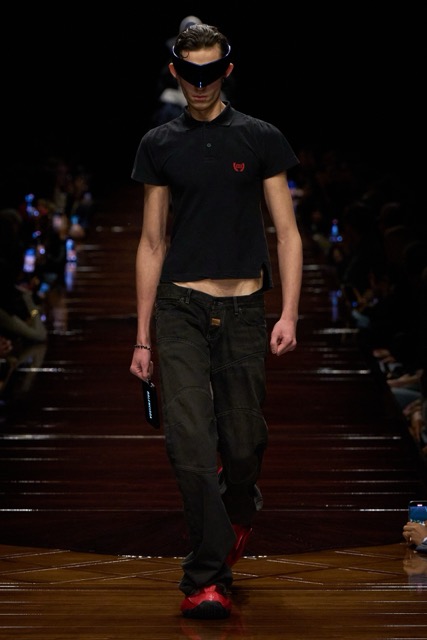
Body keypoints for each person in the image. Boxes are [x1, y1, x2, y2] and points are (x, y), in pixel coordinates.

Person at [130, 23, 303, 620]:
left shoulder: (260, 137)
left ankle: (237, 509)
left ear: (226, 70)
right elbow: (152, 242)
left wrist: (289, 312)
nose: (199, 84)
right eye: (189, 73)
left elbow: (288, 232)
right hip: (180, 306)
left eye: (209, 73)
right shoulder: (159, 143)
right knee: (189, 442)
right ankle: (206, 579)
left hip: (244, 309)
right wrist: (142, 337)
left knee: (244, 445)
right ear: (175, 71)